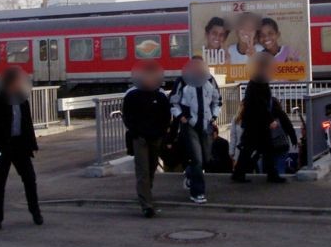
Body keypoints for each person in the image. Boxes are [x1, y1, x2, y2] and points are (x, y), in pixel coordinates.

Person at [0, 66, 42, 233]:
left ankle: (35, 212)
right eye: (17, 82)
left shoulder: (22, 99)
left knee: (30, 179)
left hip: (20, 146)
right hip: (1, 148)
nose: (20, 84)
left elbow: (27, 124)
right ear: (9, 82)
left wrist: (32, 145)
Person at [232, 53, 296, 183]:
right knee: (261, 149)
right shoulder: (259, 83)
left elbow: (261, 104)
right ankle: (269, 175)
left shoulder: (256, 82)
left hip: (254, 123)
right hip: (257, 124)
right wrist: (270, 120)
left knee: (257, 149)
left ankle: (241, 174)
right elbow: (261, 105)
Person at [122, 61, 171, 218]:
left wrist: (162, 132)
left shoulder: (160, 95)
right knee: (142, 170)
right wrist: (135, 132)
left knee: (152, 166)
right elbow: (127, 116)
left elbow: (166, 116)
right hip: (140, 138)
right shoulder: (132, 95)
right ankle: (146, 205)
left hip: (156, 137)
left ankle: (146, 192)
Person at [171, 58, 222, 203]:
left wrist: (214, 116)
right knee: (197, 159)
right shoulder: (183, 81)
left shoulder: (209, 80)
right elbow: (173, 101)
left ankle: (190, 174)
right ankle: (197, 192)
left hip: (206, 123)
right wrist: (181, 117)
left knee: (206, 159)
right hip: (190, 125)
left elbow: (217, 100)